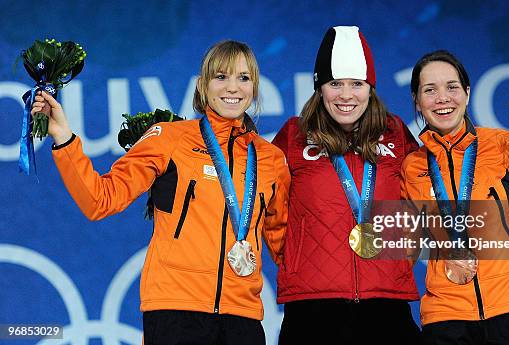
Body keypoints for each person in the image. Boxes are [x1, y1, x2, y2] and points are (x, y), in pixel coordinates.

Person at [31, 40, 290, 345]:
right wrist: (63, 138)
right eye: (221, 77)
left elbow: (286, 246)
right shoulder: (169, 139)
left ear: (255, 87)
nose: (232, 87)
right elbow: (100, 200)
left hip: (242, 318)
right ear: (203, 85)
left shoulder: (271, 160)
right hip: (175, 313)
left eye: (243, 78)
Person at [400, 50, 509, 345]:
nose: (443, 98)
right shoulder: (412, 166)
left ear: (467, 94)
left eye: (452, 87)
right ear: (417, 101)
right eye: (430, 90)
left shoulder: (505, 145)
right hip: (446, 316)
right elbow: (407, 249)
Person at [272, 26, 421, 344]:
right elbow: (270, 208)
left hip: (387, 304)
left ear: (371, 88)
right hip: (311, 308)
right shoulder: (294, 135)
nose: (346, 95)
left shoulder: (395, 132)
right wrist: (293, 257)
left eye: (357, 83)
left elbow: (420, 200)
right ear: (319, 87)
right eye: (335, 83)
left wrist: (399, 257)